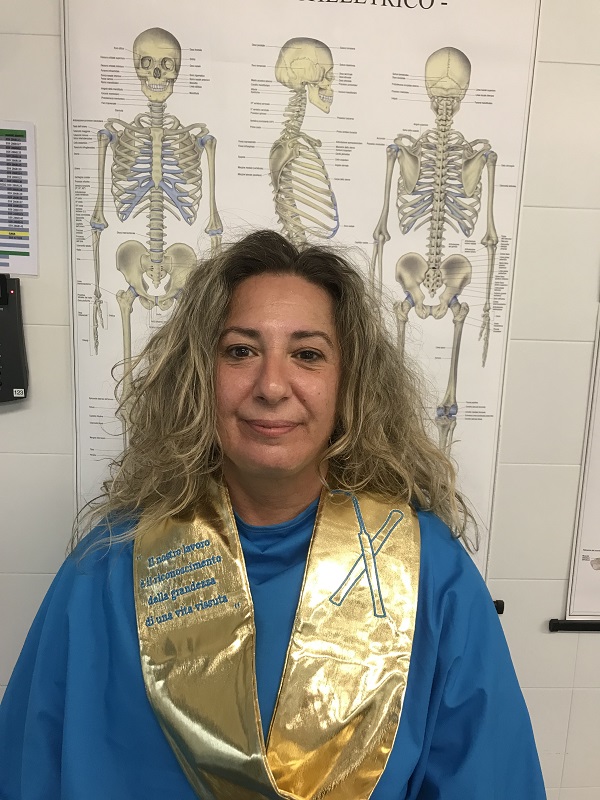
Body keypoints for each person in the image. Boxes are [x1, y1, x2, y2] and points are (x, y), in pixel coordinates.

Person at [0, 230, 545, 799]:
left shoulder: (428, 572)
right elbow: (29, 769)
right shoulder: (109, 567)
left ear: (349, 383)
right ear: (200, 374)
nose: (272, 385)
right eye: (241, 351)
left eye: (307, 354)